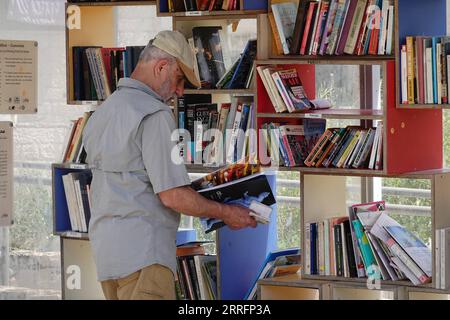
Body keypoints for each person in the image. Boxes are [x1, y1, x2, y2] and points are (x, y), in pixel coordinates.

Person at [82, 30, 257, 300]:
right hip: (144, 255)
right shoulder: (153, 114)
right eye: (178, 80)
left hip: (107, 256)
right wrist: (227, 212)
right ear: (161, 66)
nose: (179, 91)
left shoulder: (104, 112)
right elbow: (173, 195)